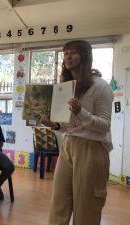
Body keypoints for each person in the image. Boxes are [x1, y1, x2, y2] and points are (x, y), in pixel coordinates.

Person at [41, 40, 113, 225]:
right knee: (59, 203)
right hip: (68, 145)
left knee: (86, 207)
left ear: (85, 56)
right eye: (65, 54)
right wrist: (54, 125)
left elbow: (104, 125)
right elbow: (69, 126)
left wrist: (81, 112)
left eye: (73, 53)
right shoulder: (66, 87)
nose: (68, 57)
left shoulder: (101, 86)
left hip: (93, 148)